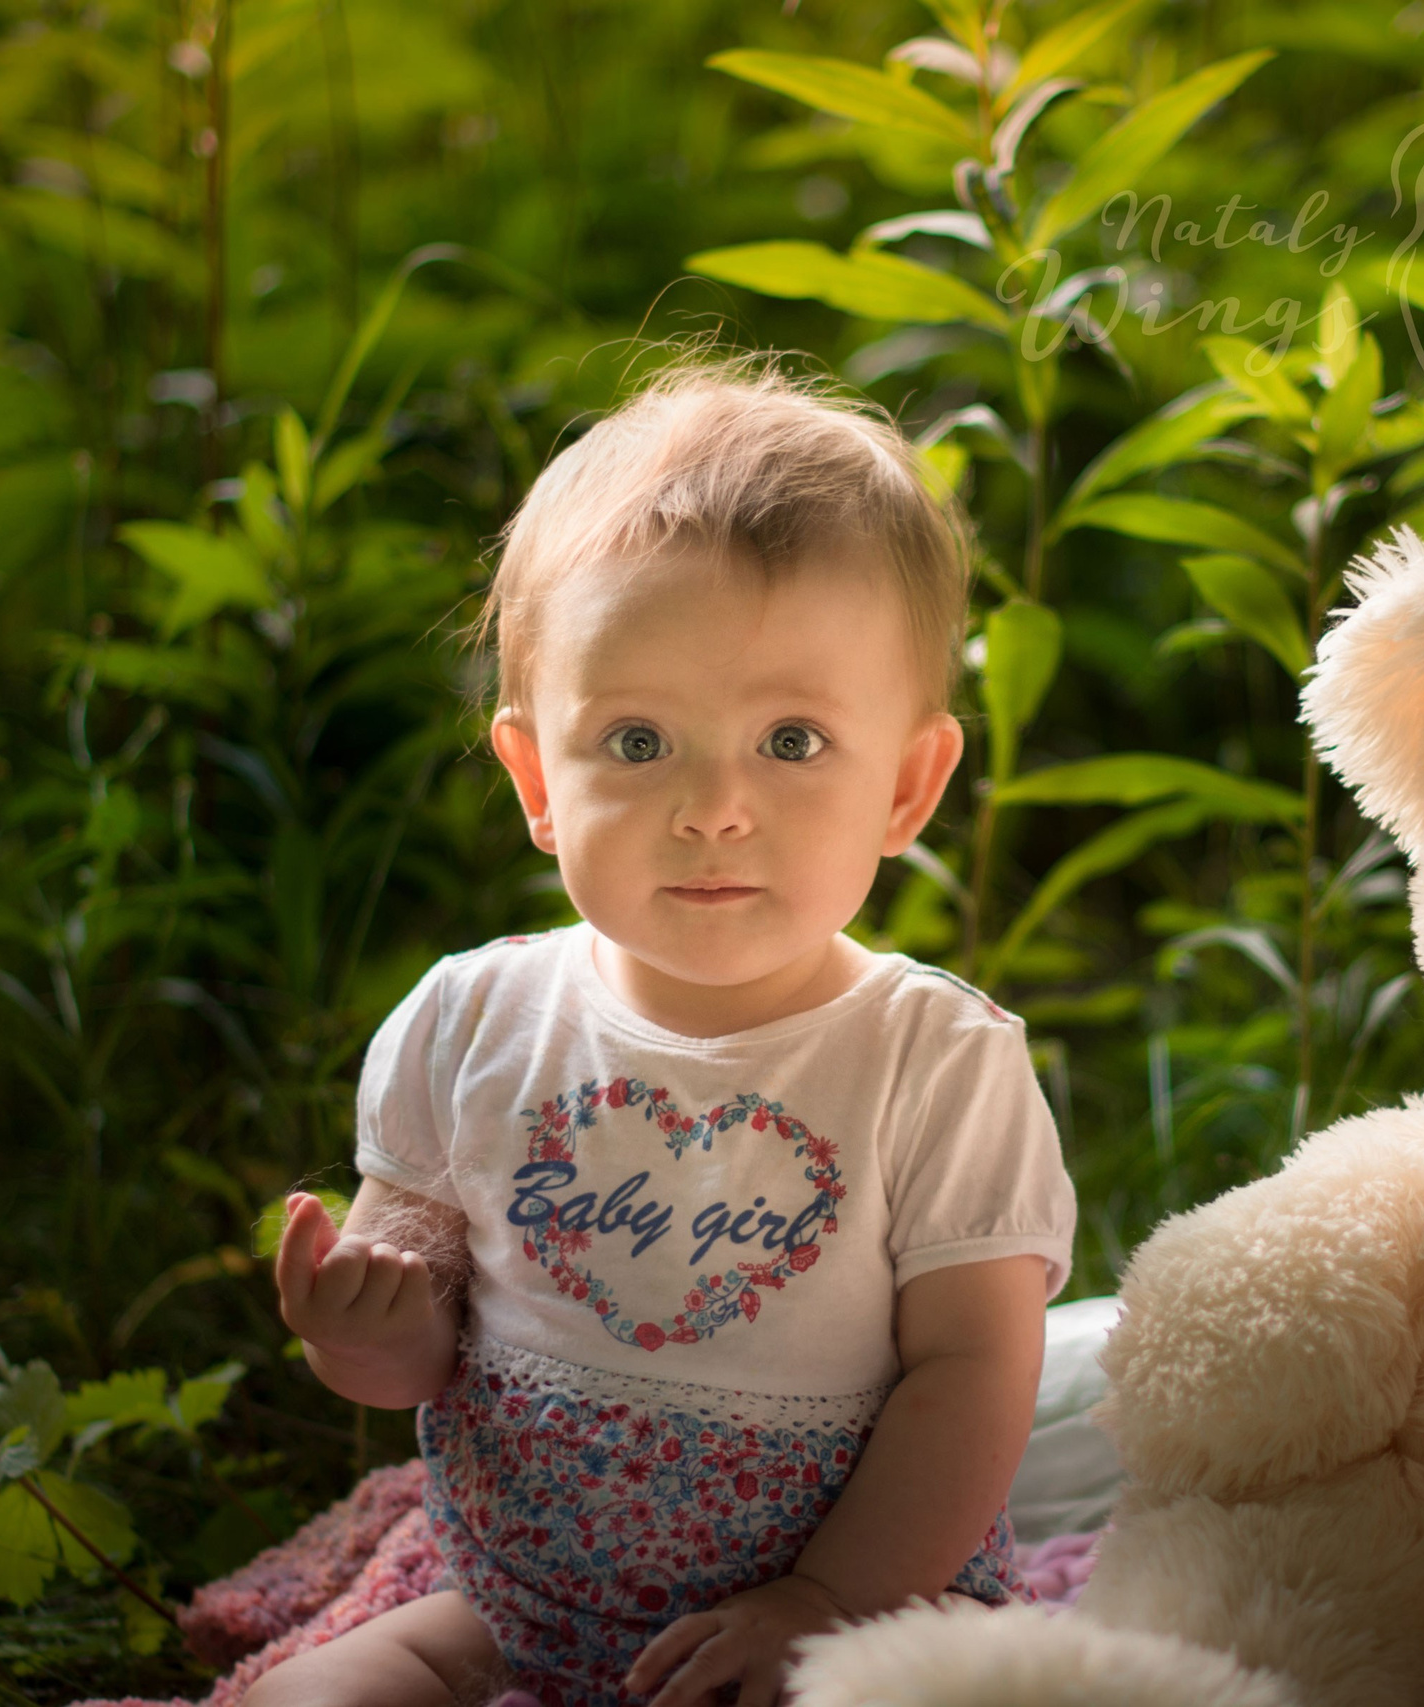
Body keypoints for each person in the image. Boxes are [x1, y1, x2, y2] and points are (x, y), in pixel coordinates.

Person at [243, 352, 1077, 1707]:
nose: (713, 808)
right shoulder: (475, 1022)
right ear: (536, 779)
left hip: (850, 1607)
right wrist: (358, 1327)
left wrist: (824, 1601)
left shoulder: (933, 1059)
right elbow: (417, 1362)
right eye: (638, 743)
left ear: (909, 787)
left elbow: (975, 1372)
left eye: (793, 743)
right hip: (513, 1601)